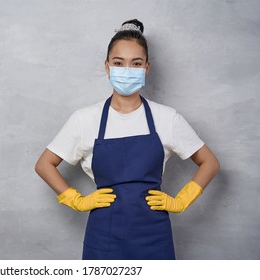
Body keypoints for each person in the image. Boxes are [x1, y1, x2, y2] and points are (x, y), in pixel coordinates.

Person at [35, 19, 220, 260]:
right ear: (107, 66)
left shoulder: (167, 118)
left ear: (147, 68)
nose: (127, 69)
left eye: (136, 63)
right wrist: (76, 200)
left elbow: (210, 163)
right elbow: (44, 165)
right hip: (104, 237)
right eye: (119, 63)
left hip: (154, 237)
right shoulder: (84, 119)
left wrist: (181, 201)